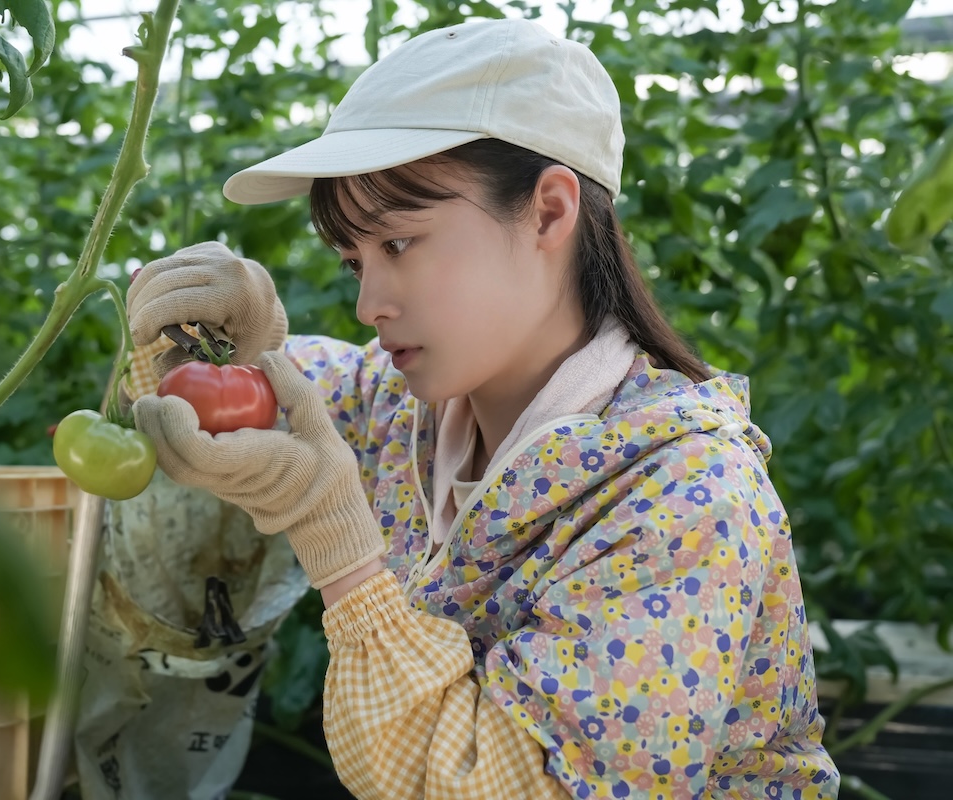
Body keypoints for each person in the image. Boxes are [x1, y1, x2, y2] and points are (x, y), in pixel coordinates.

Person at [124, 17, 838, 799]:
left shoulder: (686, 496)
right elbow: (242, 407)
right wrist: (224, 340)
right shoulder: (402, 410)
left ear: (550, 212)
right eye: (352, 259)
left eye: (398, 244)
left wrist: (344, 551)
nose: (367, 303)